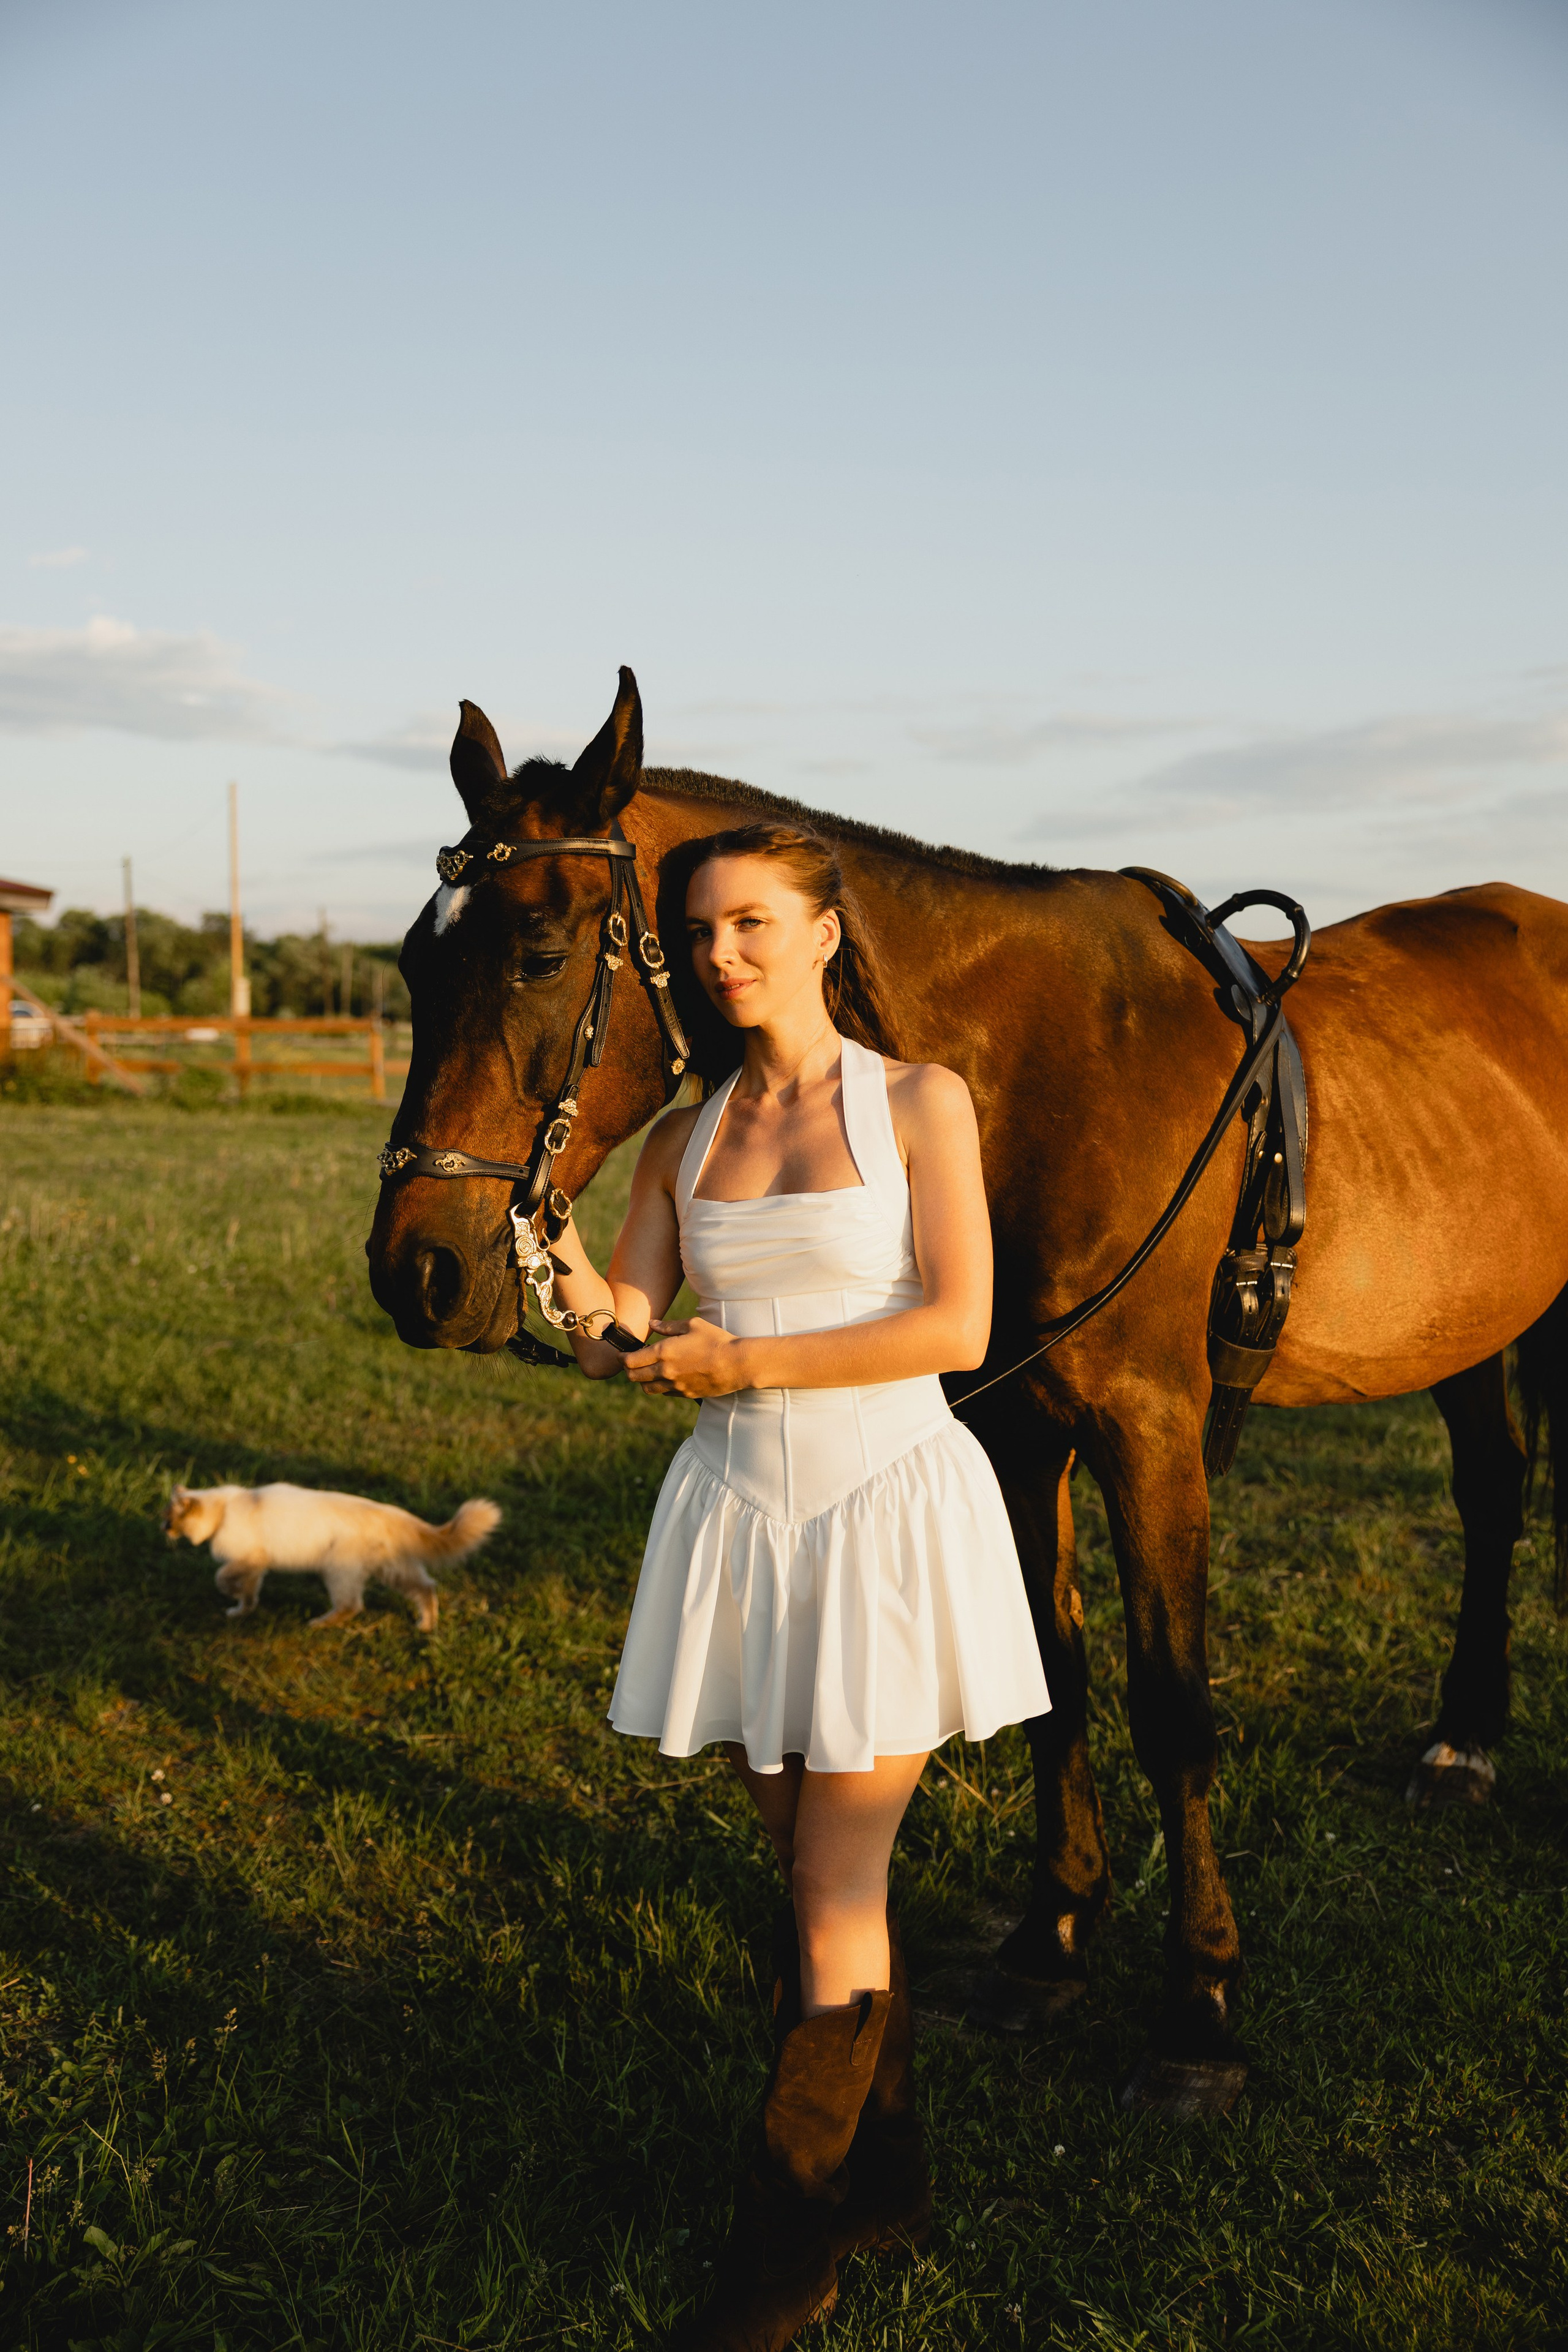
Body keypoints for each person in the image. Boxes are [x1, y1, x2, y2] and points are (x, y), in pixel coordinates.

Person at [547, 818, 1049, 2351]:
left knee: (833, 1880)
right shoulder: (680, 1141)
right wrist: (571, 1286)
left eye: (754, 922)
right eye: (701, 931)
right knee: (817, 1877)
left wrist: (741, 1359)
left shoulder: (918, 1104)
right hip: (734, 1519)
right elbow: (632, 1317)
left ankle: (782, 2259)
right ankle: (883, 2174)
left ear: (826, 933)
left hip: (877, 1509)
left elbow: (958, 1325)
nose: (721, 954)